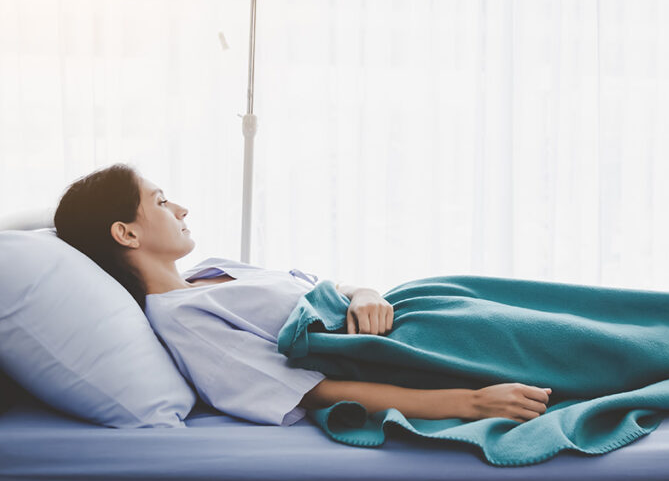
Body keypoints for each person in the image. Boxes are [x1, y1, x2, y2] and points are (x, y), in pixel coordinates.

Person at [53, 163, 552, 426]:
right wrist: (469, 403)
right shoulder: (183, 320)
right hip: (420, 347)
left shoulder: (212, 272)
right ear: (126, 234)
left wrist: (366, 292)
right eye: (161, 202)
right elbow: (313, 391)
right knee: (591, 348)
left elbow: (323, 288)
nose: (181, 208)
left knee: (571, 310)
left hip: (420, 305)